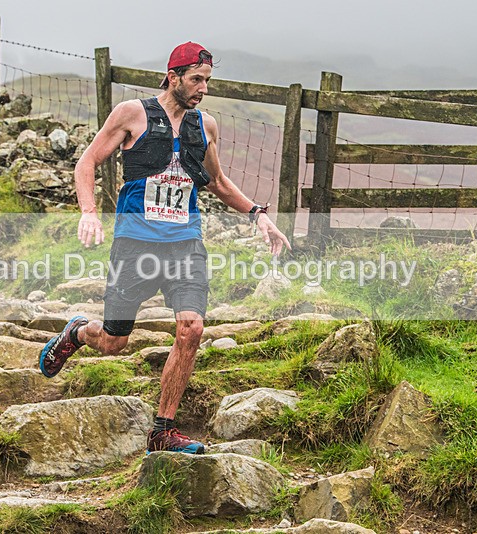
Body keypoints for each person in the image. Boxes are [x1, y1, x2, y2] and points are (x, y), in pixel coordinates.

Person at [39, 41, 291, 454]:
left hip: (185, 245)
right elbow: (86, 164)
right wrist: (88, 211)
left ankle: (163, 430)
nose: (203, 89)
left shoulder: (204, 126)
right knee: (115, 341)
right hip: (135, 245)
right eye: (196, 80)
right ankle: (78, 333)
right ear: (172, 77)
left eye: (207, 81)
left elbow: (218, 183)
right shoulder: (131, 115)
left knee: (191, 327)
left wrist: (258, 215)